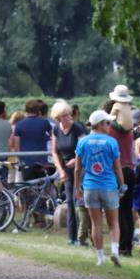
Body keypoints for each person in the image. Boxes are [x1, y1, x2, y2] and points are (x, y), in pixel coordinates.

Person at [75, 110, 124, 267]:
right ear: (101, 124)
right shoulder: (111, 142)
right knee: (114, 223)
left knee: (96, 224)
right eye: (108, 123)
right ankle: (115, 251)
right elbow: (117, 168)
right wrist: (122, 185)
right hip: (109, 186)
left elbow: (77, 169)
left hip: (90, 186)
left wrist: (77, 187)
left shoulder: (82, 142)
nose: (110, 126)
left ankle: (100, 258)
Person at [107, 86, 137, 256]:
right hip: (130, 171)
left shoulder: (111, 131)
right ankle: (128, 246)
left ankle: (121, 244)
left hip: (117, 171)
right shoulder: (130, 131)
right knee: (128, 210)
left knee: (118, 210)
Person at [51, 100, 86, 245]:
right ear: (58, 118)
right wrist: (60, 170)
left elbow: (84, 148)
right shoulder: (56, 130)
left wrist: (76, 160)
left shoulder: (77, 128)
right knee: (70, 202)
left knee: (79, 202)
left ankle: (82, 236)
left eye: (68, 115)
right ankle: (71, 237)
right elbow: (54, 152)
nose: (67, 119)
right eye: (63, 116)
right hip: (66, 170)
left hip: (80, 169)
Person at [11, 100, 53, 181]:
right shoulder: (44, 122)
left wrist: (20, 160)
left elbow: (17, 147)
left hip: (26, 161)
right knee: (42, 187)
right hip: (42, 161)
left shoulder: (19, 125)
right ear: (37, 110)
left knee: (28, 188)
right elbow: (54, 137)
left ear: (26, 110)